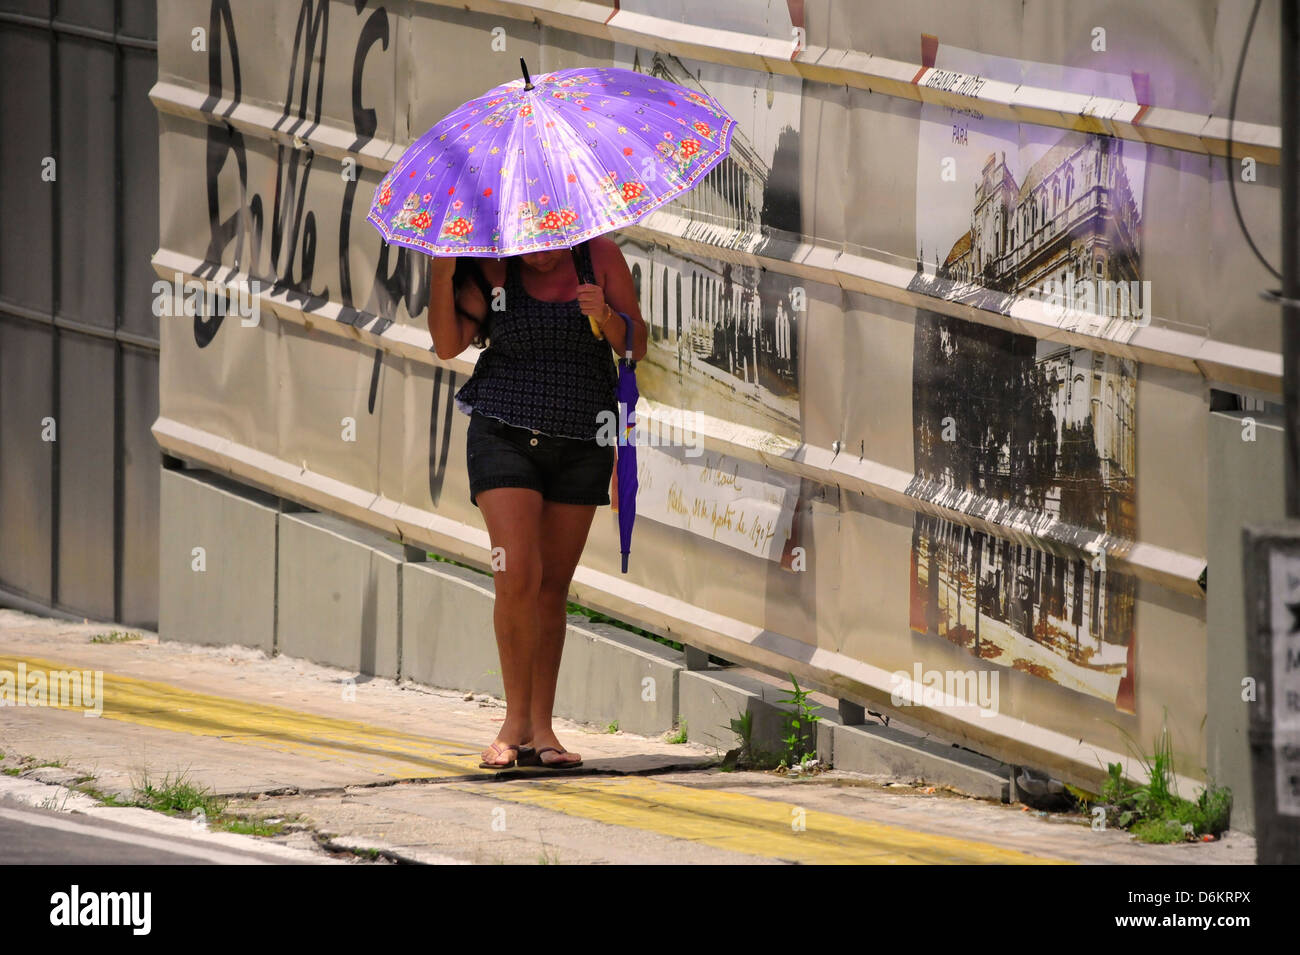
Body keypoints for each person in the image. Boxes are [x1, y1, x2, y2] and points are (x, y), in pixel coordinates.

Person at [427, 236, 647, 769]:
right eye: (529, 243)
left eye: (550, 241)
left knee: (551, 588)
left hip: (581, 442)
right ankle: (513, 723)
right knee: (517, 574)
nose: (541, 255)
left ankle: (542, 729)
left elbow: (635, 346)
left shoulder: (598, 258)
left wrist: (608, 318)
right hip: (503, 435)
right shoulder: (492, 269)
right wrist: (440, 272)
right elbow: (447, 344)